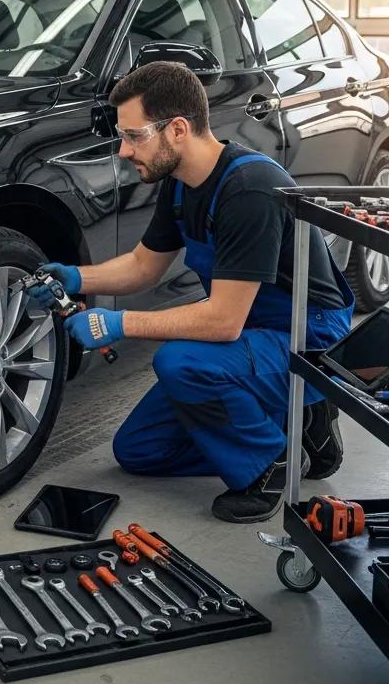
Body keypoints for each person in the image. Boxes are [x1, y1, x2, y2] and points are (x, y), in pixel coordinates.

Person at [27, 61, 353, 523]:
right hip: (252, 326)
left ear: (177, 129)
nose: (123, 150)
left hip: (309, 335)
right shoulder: (181, 185)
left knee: (181, 362)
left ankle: (269, 467)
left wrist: (115, 323)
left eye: (134, 135)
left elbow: (222, 322)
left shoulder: (250, 189)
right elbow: (143, 266)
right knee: (139, 451)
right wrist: (76, 279)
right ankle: (296, 424)